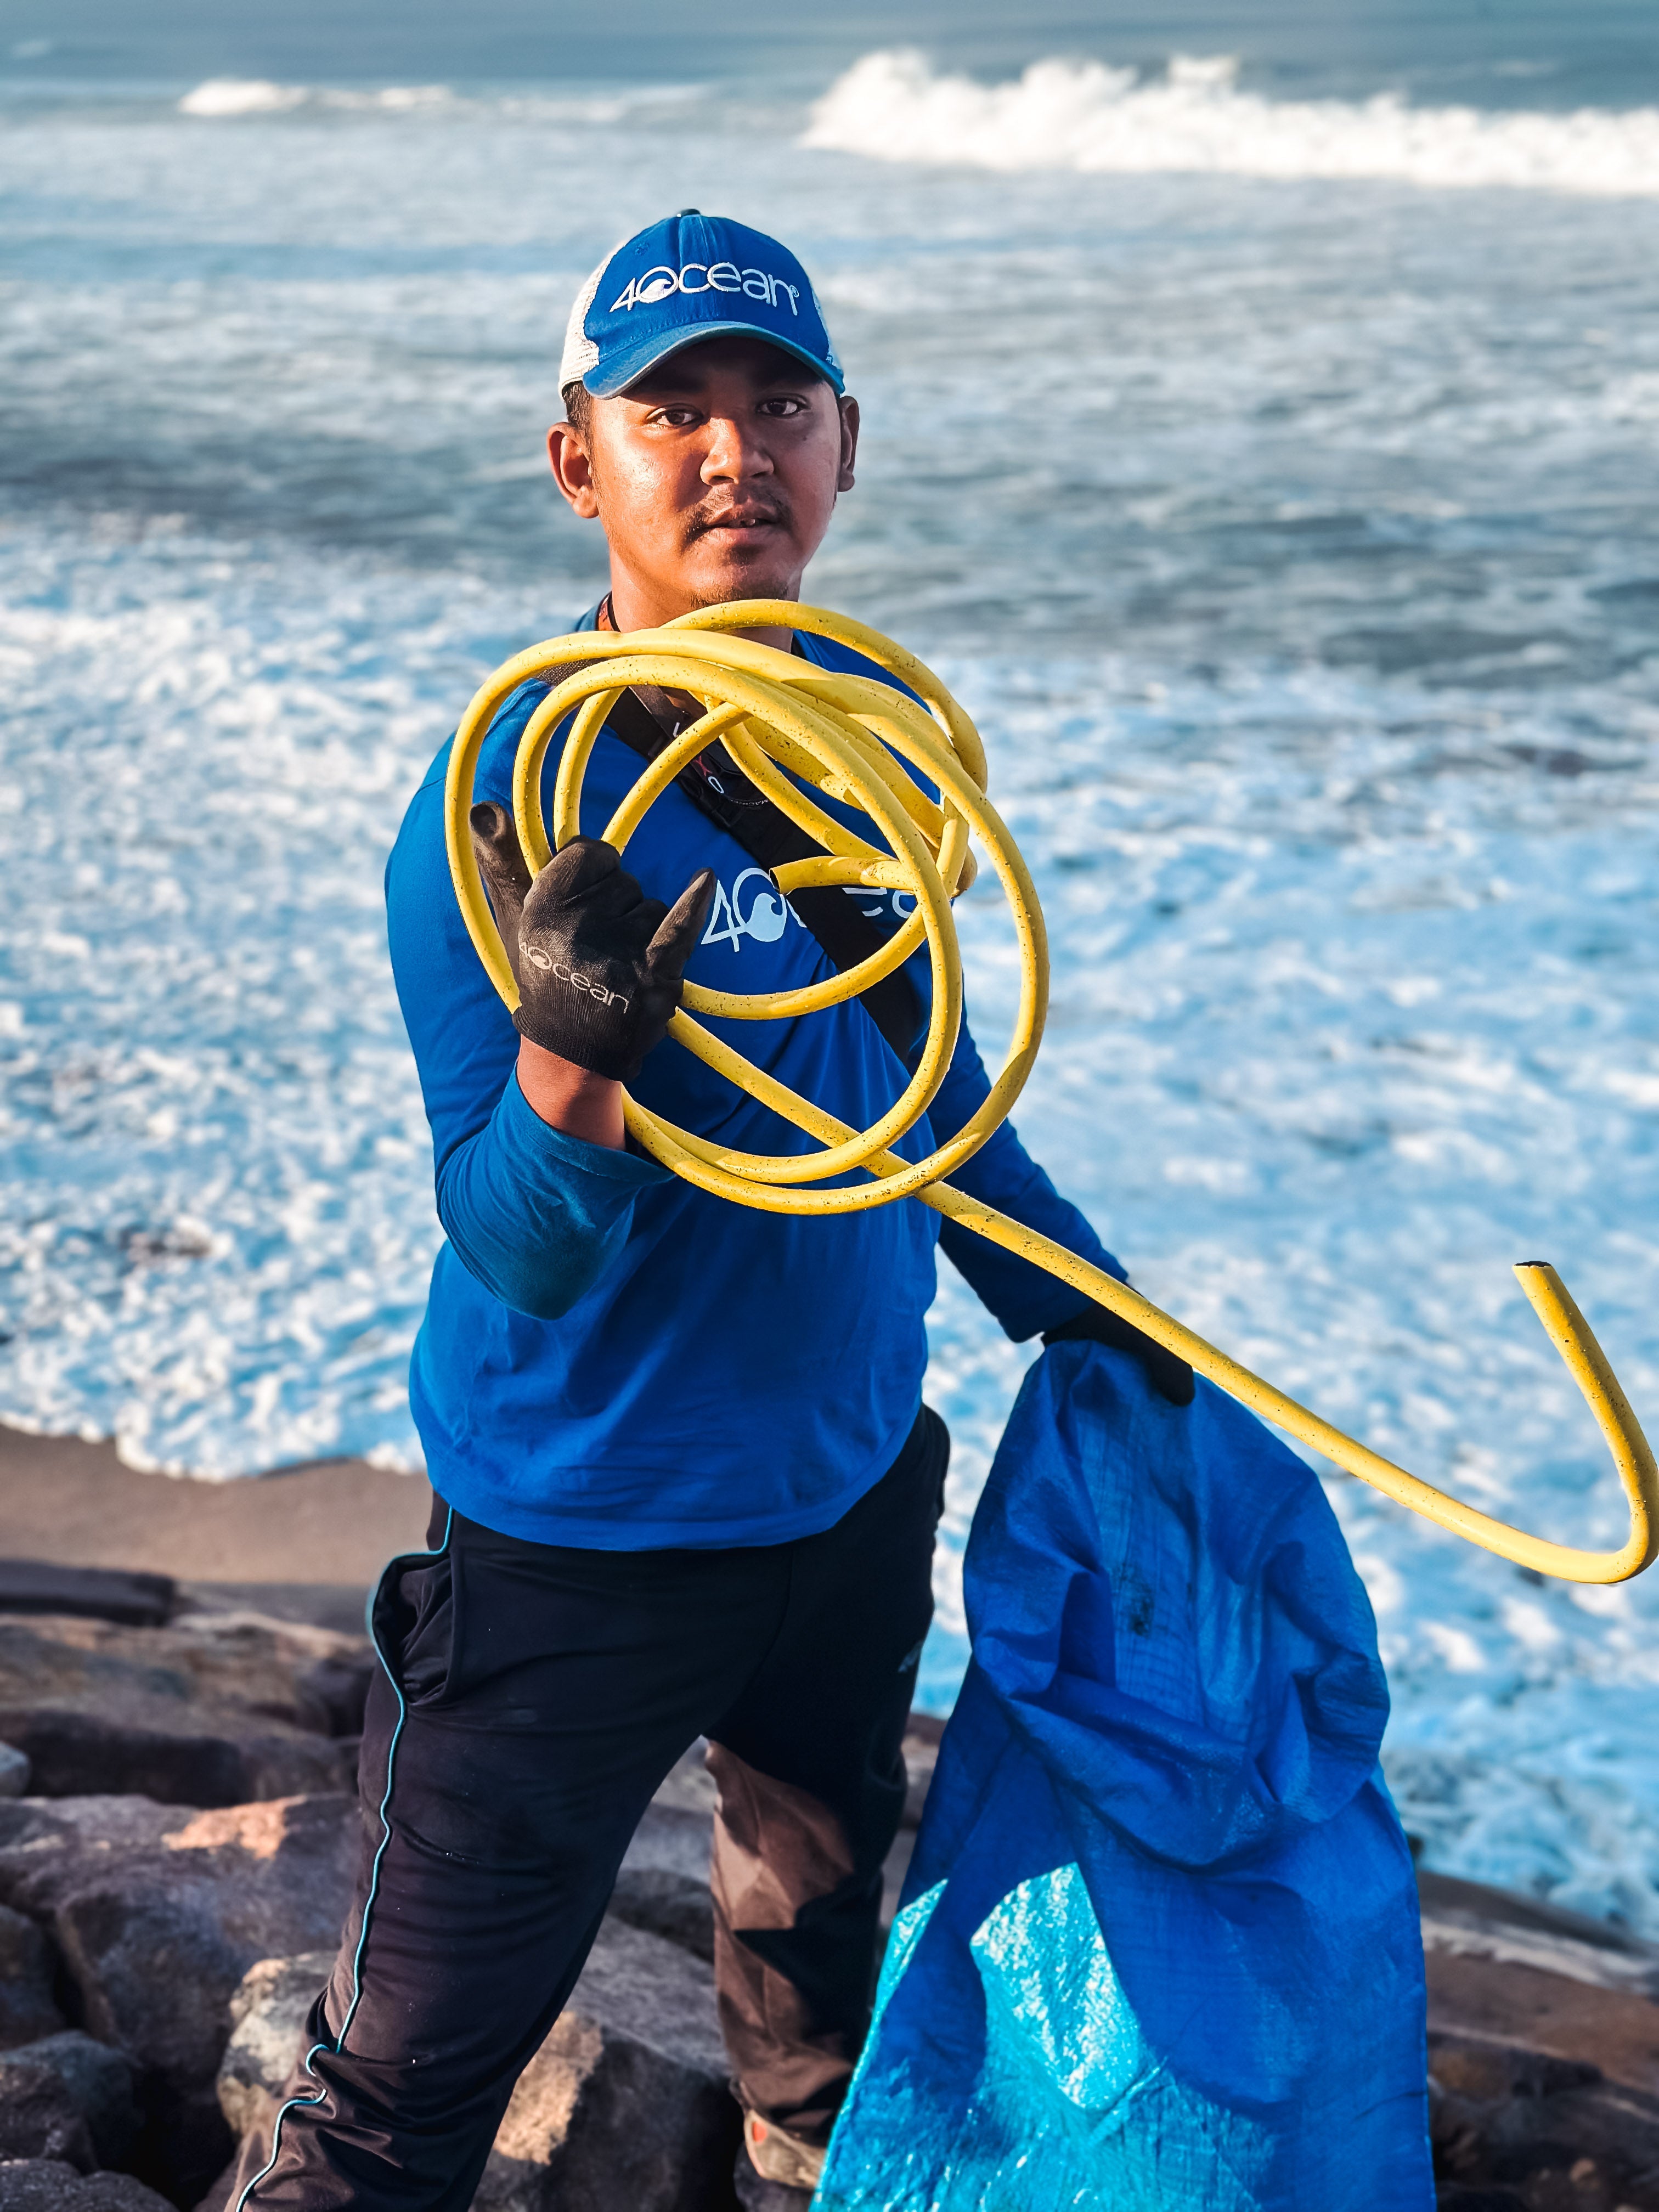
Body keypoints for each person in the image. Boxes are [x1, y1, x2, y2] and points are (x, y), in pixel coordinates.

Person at [235, 208, 1192, 2211]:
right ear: (580, 459)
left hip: (847, 1501)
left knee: (815, 1976)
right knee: (399, 2093)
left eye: (780, 402)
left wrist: (1108, 1320)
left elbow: (925, 1111)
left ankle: (792, 2157)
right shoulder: (500, 807)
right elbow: (514, 1244)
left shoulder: (860, 765)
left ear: (851, 443)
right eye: (673, 409)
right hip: (580, 1547)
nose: (733, 448)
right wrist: (576, 1056)